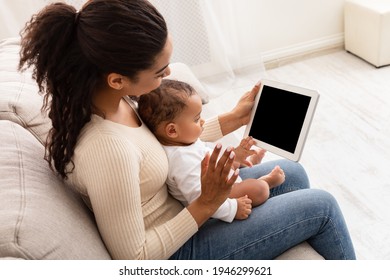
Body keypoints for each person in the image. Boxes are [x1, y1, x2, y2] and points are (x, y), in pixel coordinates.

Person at [18, 0, 356, 260]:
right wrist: (206, 204)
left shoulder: (118, 101)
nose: (166, 78)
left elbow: (162, 141)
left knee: (293, 172)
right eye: (160, 71)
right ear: (117, 78)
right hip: (179, 250)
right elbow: (134, 258)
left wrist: (233, 119)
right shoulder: (108, 149)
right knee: (322, 206)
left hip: (185, 206)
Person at [138, 79, 286, 222]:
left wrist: (236, 155)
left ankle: (242, 162)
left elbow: (209, 159)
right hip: (216, 202)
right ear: (172, 130)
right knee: (259, 190)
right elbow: (200, 200)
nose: (202, 121)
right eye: (196, 119)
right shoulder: (181, 161)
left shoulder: (184, 140)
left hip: (217, 181)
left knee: (226, 156)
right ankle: (266, 182)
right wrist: (233, 209)